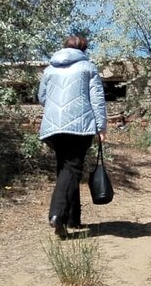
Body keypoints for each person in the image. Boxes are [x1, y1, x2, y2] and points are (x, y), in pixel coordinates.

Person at [38, 34, 107, 236]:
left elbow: (42, 97)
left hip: (53, 128)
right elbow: (97, 99)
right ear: (83, 49)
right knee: (72, 169)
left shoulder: (49, 70)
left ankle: (72, 220)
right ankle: (57, 214)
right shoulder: (88, 68)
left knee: (66, 170)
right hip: (79, 126)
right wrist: (101, 127)